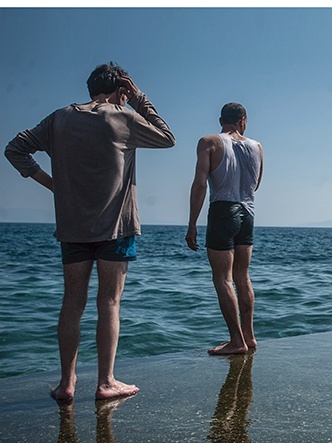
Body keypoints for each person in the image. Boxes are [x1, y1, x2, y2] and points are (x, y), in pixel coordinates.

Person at [4, 62, 176, 402]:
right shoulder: (124, 118)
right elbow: (167, 137)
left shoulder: (59, 119)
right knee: (109, 301)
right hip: (117, 226)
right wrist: (139, 99)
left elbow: (15, 149)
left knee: (72, 301)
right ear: (121, 90)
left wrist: (53, 185)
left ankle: (67, 383)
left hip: (73, 226)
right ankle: (105, 381)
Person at [185, 102, 263, 356]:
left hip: (222, 210)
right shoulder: (257, 147)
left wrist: (192, 224)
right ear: (243, 121)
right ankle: (248, 336)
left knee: (222, 278)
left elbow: (200, 185)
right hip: (248, 213)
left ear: (221, 120)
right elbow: (256, 184)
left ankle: (235, 341)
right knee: (243, 275)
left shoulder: (209, 142)